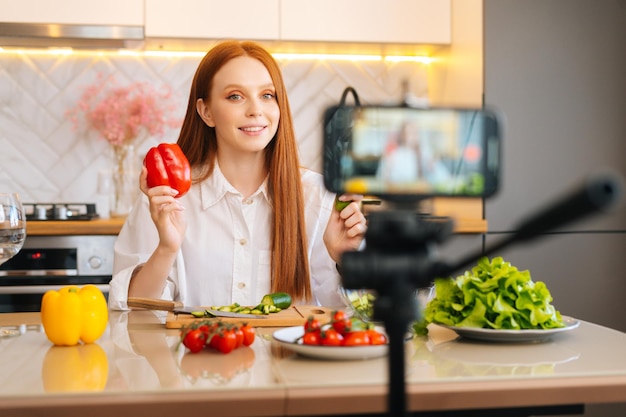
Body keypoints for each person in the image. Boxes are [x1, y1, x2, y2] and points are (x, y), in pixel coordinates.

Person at [108, 40, 367, 310]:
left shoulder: (319, 198)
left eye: (267, 95)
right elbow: (133, 317)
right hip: (195, 353)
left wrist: (346, 261)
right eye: (235, 96)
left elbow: (355, 317)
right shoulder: (167, 198)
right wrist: (166, 248)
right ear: (206, 112)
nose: (256, 109)